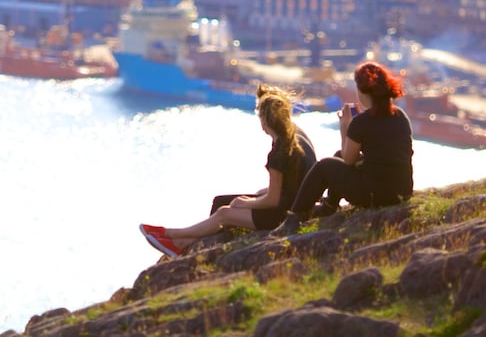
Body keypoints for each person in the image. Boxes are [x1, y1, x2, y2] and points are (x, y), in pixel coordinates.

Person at [139, 83, 309, 258]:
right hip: (295, 206)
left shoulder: (279, 152)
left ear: (265, 121)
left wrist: (246, 203)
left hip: (283, 216)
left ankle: (174, 236)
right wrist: (257, 196)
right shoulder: (292, 136)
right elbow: (291, 183)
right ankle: (186, 242)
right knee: (222, 202)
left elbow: (273, 201)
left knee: (224, 213)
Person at [276, 61, 414, 235]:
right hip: (401, 189)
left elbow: (349, 160)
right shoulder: (400, 116)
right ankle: (329, 206)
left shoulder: (362, 122)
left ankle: (293, 219)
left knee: (324, 166)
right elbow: (382, 154)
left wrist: (345, 128)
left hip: (375, 194)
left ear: (363, 91)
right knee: (338, 155)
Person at [206, 84, 318, 215]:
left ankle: (206, 235)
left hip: (289, 207)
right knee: (246, 197)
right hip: (300, 199)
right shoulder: (291, 133)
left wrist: (246, 203)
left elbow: (273, 200)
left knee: (222, 203)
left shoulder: (282, 145)